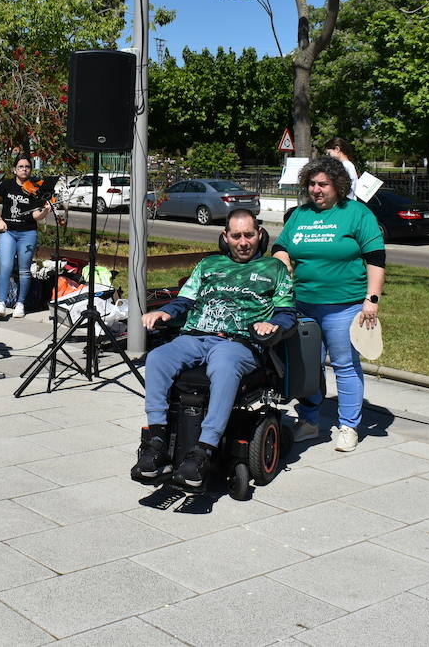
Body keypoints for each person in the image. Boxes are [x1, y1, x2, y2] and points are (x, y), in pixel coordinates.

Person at [134, 209, 296, 489]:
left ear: (260, 235)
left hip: (239, 342)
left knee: (223, 363)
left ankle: (203, 451)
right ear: (225, 236)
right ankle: (157, 442)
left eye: (249, 235)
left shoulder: (274, 269)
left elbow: (287, 313)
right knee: (158, 357)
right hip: (196, 336)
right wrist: (165, 312)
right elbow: (184, 300)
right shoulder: (209, 264)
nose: (243, 242)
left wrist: (273, 324)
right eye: (236, 236)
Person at [272, 156, 385, 453]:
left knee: (345, 366)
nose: (316, 189)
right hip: (303, 306)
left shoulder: (357, 214)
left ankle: (348, 426)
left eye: (323, 184)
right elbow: (281, 247)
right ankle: (309, 421)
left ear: (338, 185)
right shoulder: (300, 215)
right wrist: (282, 259)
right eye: (312, 183)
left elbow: (376, 258)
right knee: (308, 367)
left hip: (344, 307)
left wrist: (371, 299)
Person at [0, 156, 53, 318]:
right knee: (5, 266)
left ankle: (20, 303)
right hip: (8, 231)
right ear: (15, 169)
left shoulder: (36, 189)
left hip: (27, 233)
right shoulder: (7, 185)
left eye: (27, 167)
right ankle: (1, 303)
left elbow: (35, 215)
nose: (24, 169)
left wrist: (45, 211)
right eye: (21, 166)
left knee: (24, 270)